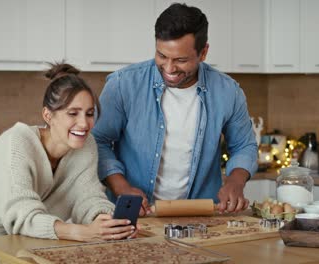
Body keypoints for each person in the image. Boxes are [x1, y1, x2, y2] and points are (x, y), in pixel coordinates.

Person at [0, 63, 137, 264]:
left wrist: (104, 219)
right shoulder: (20, 142)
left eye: (89, 113)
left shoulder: (87, 144)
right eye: (73, 113)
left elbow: (88, 196)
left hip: (11, 235)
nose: (84, 124)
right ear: (48, 115)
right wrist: (81, 232)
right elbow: (22, 215)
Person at [92, 3, 258, 216]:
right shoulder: (123, 85)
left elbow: (244, 145)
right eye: (162, 56)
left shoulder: (228, 92)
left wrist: (236, 181)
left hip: (200, 216)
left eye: (180, 60)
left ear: (203, 52)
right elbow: (97, 141)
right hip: (135, 213)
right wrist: (121, 187)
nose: (169, 69)